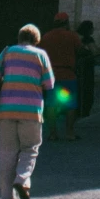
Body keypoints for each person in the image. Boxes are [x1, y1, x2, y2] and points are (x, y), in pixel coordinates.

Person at [0, 23, 55, 199]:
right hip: (31, 110)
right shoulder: (41, 55)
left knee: (7, 152)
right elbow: (49, 84)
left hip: (6, 109)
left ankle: (6, 195)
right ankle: (22, 179)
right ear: (36, 40)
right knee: (30, 148)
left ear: (19, 37)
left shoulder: (7, 52)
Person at [41, 12, 81, 140]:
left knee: (51, 105)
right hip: (68, 74)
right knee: (70, 104)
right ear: (67, 23)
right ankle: (69, 133)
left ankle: (53, 133)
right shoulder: (72, 36)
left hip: (51, 76)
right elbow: (80, 51)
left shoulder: (46, 37)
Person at [75, 19, 97, 122]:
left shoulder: (76, 39)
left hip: (78, 69)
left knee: (79, 91)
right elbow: (95, 52)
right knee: (88, 91)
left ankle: (79, 113)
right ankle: (85, 113)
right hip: (87, 70)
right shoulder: (88, 40)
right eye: (92, 27)